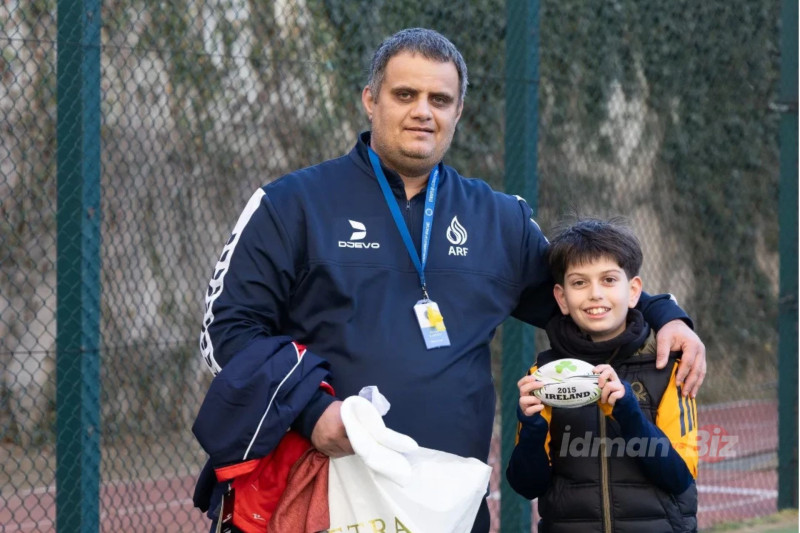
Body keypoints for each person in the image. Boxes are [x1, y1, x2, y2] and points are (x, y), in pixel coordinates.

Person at [192, 28, 706, 533]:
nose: (423, 111)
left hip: (450, 505)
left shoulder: (499, 218)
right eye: (405, 94)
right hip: (326, 492)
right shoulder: (292, 204)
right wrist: (312, 411)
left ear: (458, 111)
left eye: (440, 98)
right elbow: (228, 330)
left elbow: (579, 295)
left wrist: (664, 313)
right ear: (370, 100)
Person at [506, 217, 698, 532]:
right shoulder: (544, 376)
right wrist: (531, 428)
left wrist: (628, 413)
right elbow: (528, 485)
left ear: (634, 291)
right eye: (579, 282)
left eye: (609, 280)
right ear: (561, 298)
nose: (595, 294)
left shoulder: (667, 368)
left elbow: (678, 478)